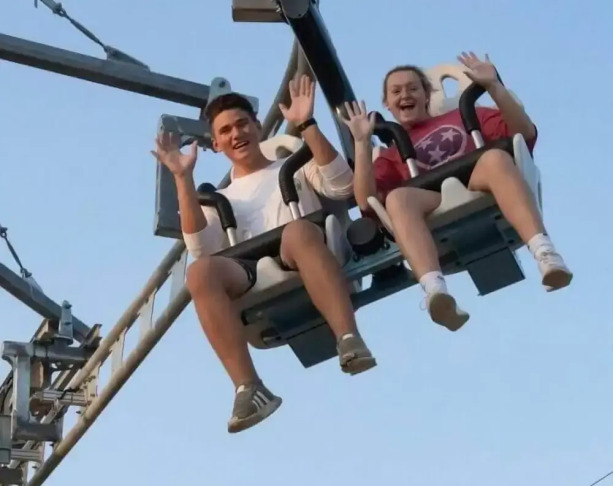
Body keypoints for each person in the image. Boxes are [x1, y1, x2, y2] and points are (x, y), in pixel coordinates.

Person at [152, 74, 376, 434]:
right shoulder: (219, 198)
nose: (236, 134)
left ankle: (349, 337)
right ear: (216, 143)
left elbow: (342, 186)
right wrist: (183, 178)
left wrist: (307, 124)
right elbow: (200, 249)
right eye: (225, 130)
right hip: (251, 275)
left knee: (298, 231)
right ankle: (249, 388)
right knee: (199, 273)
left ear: (257, 127)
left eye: (242, 124)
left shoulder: (294, 166)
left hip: (303, 251)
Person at [342, 52, 573, 332]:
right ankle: (435, 291)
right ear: (387, 104)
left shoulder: (466, 114)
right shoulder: (390, 155)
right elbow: (366, 203)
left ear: (427, 94)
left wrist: (494, 86)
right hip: (432, 201)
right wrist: (362, 143)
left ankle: (545, 254)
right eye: (396, 91)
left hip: (478, 183)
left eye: (413, 88)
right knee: (397, 198)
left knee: (496, 158)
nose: (405, 95)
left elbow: (523, 133)